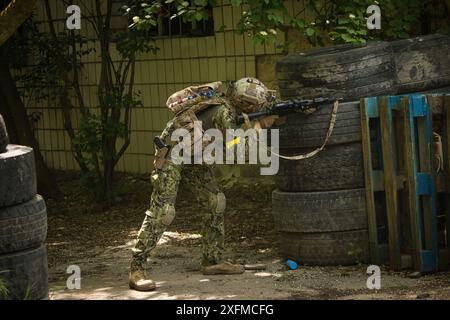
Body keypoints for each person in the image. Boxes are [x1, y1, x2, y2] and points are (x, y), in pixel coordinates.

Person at [129, 78, 278, 291]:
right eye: (258, 107)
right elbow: (242, 152)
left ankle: (213, 261)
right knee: (164, 212)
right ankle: (137, 268)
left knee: (215, 201)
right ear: (247, 104)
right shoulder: (223, 113)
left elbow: (230, 143)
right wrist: (260, 126)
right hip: (173, 155)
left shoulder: (230, 110)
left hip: (195, 155)